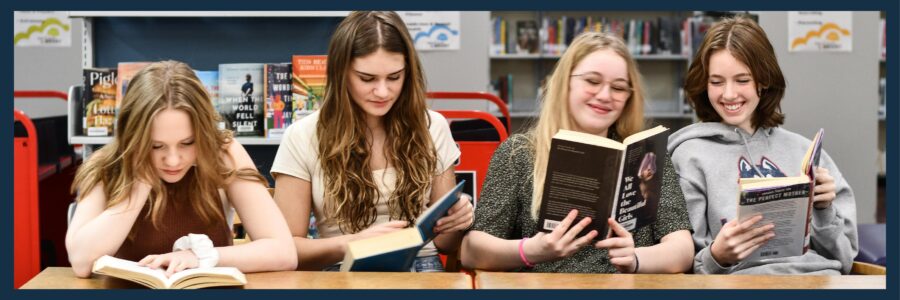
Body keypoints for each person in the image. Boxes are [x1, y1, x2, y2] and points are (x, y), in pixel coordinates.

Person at [460, 31, 694, 273]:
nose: (605, 96)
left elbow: (682, 249)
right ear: (566, 82)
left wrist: (634, 258)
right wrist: (530, 250)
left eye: (619, 87)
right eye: (592, 81)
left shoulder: (646, 155)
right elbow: (471, 250)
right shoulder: (519, 153)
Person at [271, 11, 472, 272]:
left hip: (423, 267)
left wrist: (459, 220)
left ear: (408, 73)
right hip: (341, 269)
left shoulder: (433, 126)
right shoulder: (302, 136)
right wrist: (352, 243)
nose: (382, 92)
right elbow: (287, 249)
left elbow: (446, 243)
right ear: (341, 73)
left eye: (394, 77)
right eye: (367, 79)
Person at [66, 60, 297, 278]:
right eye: (156, 146)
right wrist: (139, 184)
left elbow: (283, 252)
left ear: (204, 133)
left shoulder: (222, 153)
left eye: (187, 143)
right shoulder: (109, 164)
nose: (173, 160)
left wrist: (201, 257)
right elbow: (81, 261)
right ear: (132, 138)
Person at [667, 16, 858, 274]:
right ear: (704, 84)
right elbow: (686, 266)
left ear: (764, 80)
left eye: (742, 80)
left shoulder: (805, 151)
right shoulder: (689, 155)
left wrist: (824, 210)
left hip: (820, 281)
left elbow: (844, 260)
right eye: (716, 81)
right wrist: (717, 256)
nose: (729, 94)